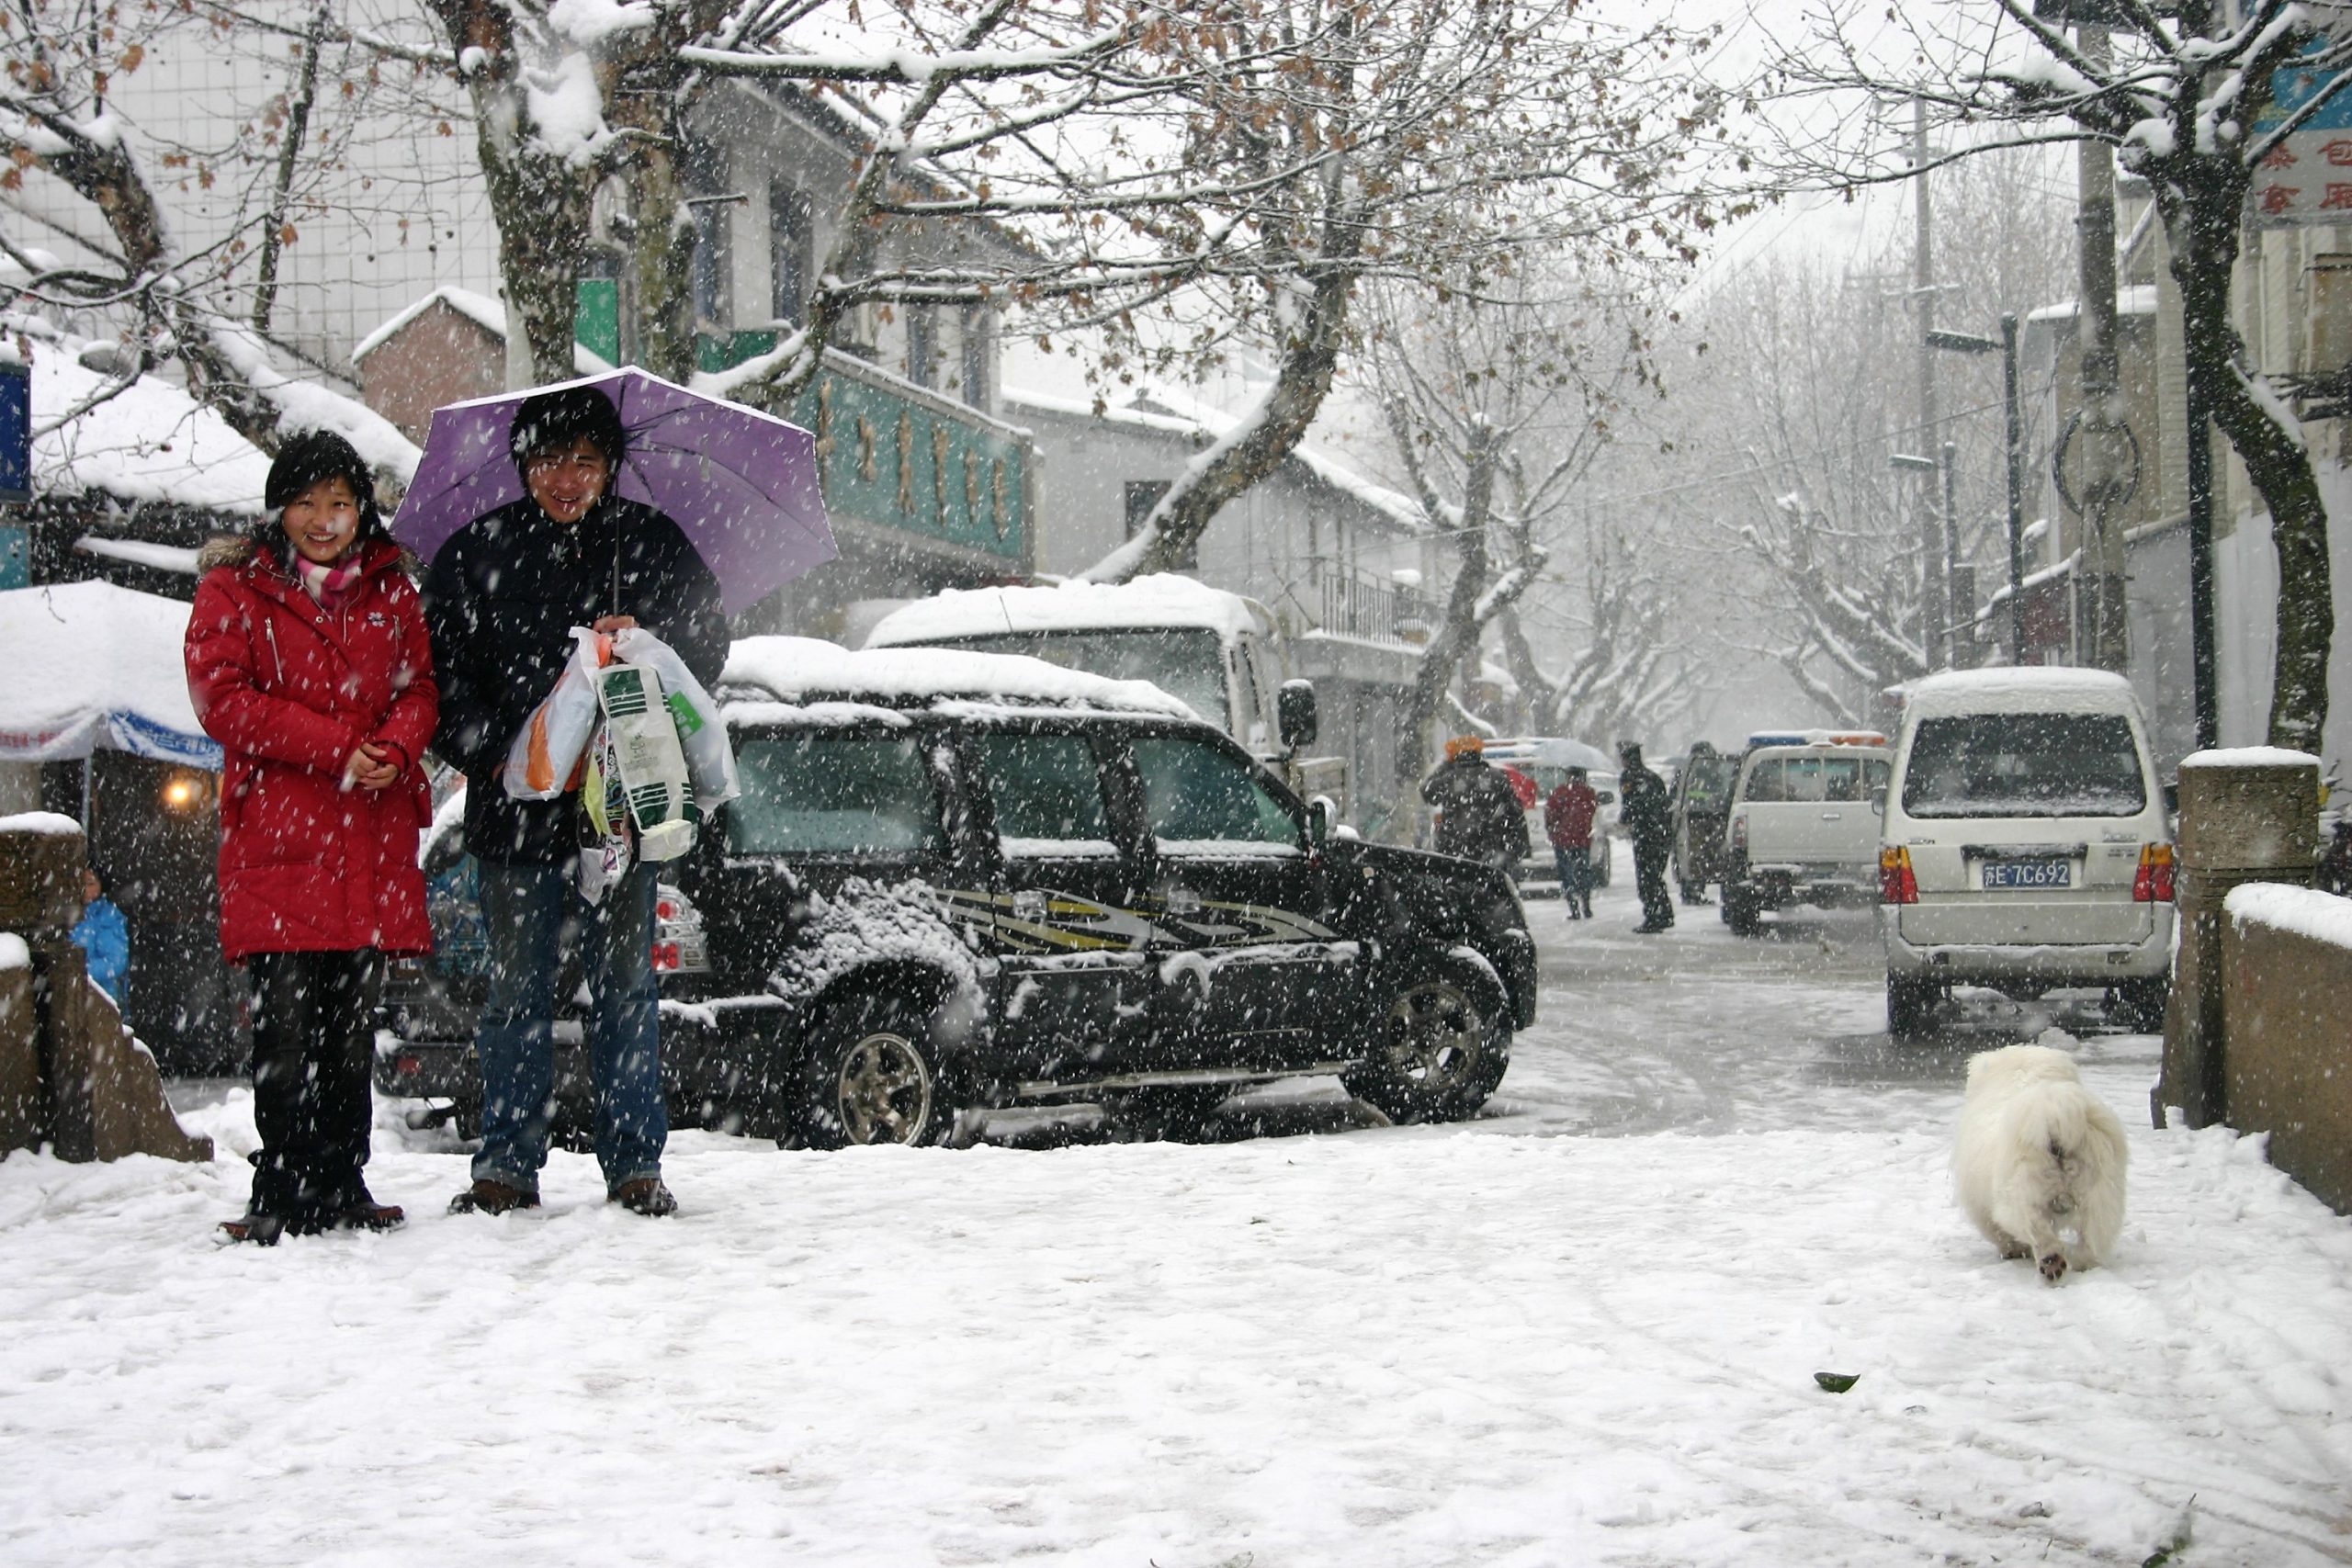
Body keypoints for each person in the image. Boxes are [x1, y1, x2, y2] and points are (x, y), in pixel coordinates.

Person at [424, 386, 727, 1220]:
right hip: (513, 816)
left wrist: (649, 634)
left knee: (626, 987)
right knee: (517, 991)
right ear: (523, 464)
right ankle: (506, 1166)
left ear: (610, 468)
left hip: (619, 813)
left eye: (586, 461)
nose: (567, 477)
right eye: (551, 460)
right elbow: (439, 677)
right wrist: (493, 755)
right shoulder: (473, 552)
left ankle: (635, 1165)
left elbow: (708, 641)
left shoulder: (649, 543)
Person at [185, 430, 438, 1243]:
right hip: (282, 836)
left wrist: (396, 747)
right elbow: (222, 699)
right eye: (305, 503)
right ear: (278, 508)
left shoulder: (391, 590)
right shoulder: (234, 589)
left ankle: (342, 1175)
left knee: (348, 1020)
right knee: (284, 1023)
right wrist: (339, 749)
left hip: (365, 833)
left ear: (361, 507)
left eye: (339, 503)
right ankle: (283, 1180)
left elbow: (420, 685)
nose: (323, 521)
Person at [1420, 735, 1531, 874]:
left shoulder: (1449, 779)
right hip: (1492, 847)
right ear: (1479, 754)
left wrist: (1445, 766)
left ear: (1454, 757)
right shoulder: (1497, 777)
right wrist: (1520, 847)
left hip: (1456, 849)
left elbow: (1427, 792)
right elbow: (1515, 812)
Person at [1619, 740, 1675, 933]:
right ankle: (1664, 912)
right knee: (1655, 875)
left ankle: (1653, 915)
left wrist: (1626, 819)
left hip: (1645, 834)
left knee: (1646, 878)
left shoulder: (1629, 778)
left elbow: (1630, 805)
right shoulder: (1654, 778)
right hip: (1661, 833)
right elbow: (1664, 804)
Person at [1544, 767, 1599, 920]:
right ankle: (1586, 905)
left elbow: (1550, 813)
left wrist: (1552, 828)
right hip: (1582, 840)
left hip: (1562, 840)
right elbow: (1591, 812)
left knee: (1566, 874)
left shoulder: (1560, 793)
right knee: (1583, 871)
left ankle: (1573, 908)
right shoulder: (1589, 793)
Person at [72, 867, 130, 998]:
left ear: (101, 885)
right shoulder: (68, 915)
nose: (84, 889)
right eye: (80, 883)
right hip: (74, 996)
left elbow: (115, 962)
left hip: (101, 1000)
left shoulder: (108, 917)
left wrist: (78, 971)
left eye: (90, 883)